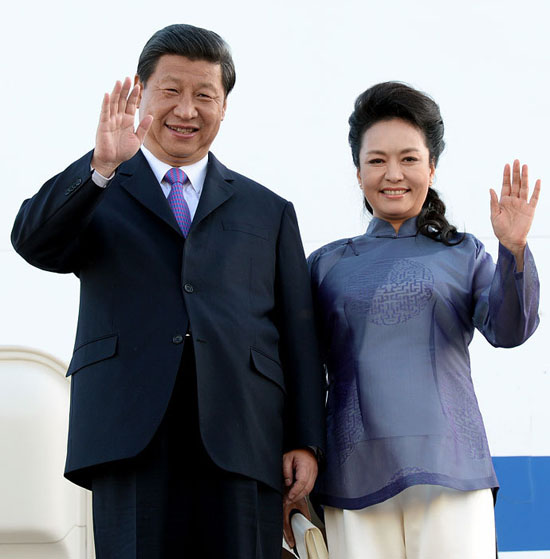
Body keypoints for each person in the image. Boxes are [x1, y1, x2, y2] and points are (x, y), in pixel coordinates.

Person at [11, 23, 325, 559]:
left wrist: (304, 439)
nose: (187, 110)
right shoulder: (101, 187)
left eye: (204, 95)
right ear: (141, 94)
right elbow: (33, 242)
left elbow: (298, 333)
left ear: (224, 106)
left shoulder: (267, 210)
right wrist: (101, 165)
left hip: (244, 437)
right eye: (171, 91)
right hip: (129, 434)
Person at [305, 82, 540, 559]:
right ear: (357, 172)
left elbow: (509, 331)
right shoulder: (325, 265)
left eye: (409, 159)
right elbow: (302, 372)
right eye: (377, 160)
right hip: (353, 475)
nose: (393, 174)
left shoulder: (466, 253)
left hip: (451, 473)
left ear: (432, 168)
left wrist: (513, 250)